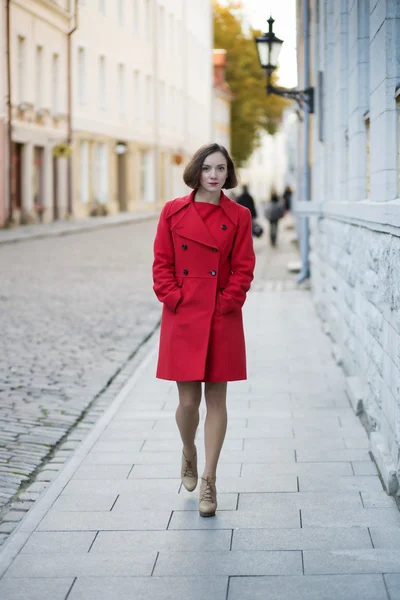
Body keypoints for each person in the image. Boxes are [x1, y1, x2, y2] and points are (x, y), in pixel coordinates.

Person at [152, 143, 256, 517]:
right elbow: (161, 263)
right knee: (187, 404)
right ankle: (189, 451)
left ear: (229, 174)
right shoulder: (172, 212)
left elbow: (244, 266)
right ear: (196, 171)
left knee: (217, 402)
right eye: (209, 168)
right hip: (184, 315)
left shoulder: (239, 215)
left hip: (221, 316)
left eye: (222, 169)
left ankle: (209, 481)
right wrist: (174, 298)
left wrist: (227, 301)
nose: (215, 175)